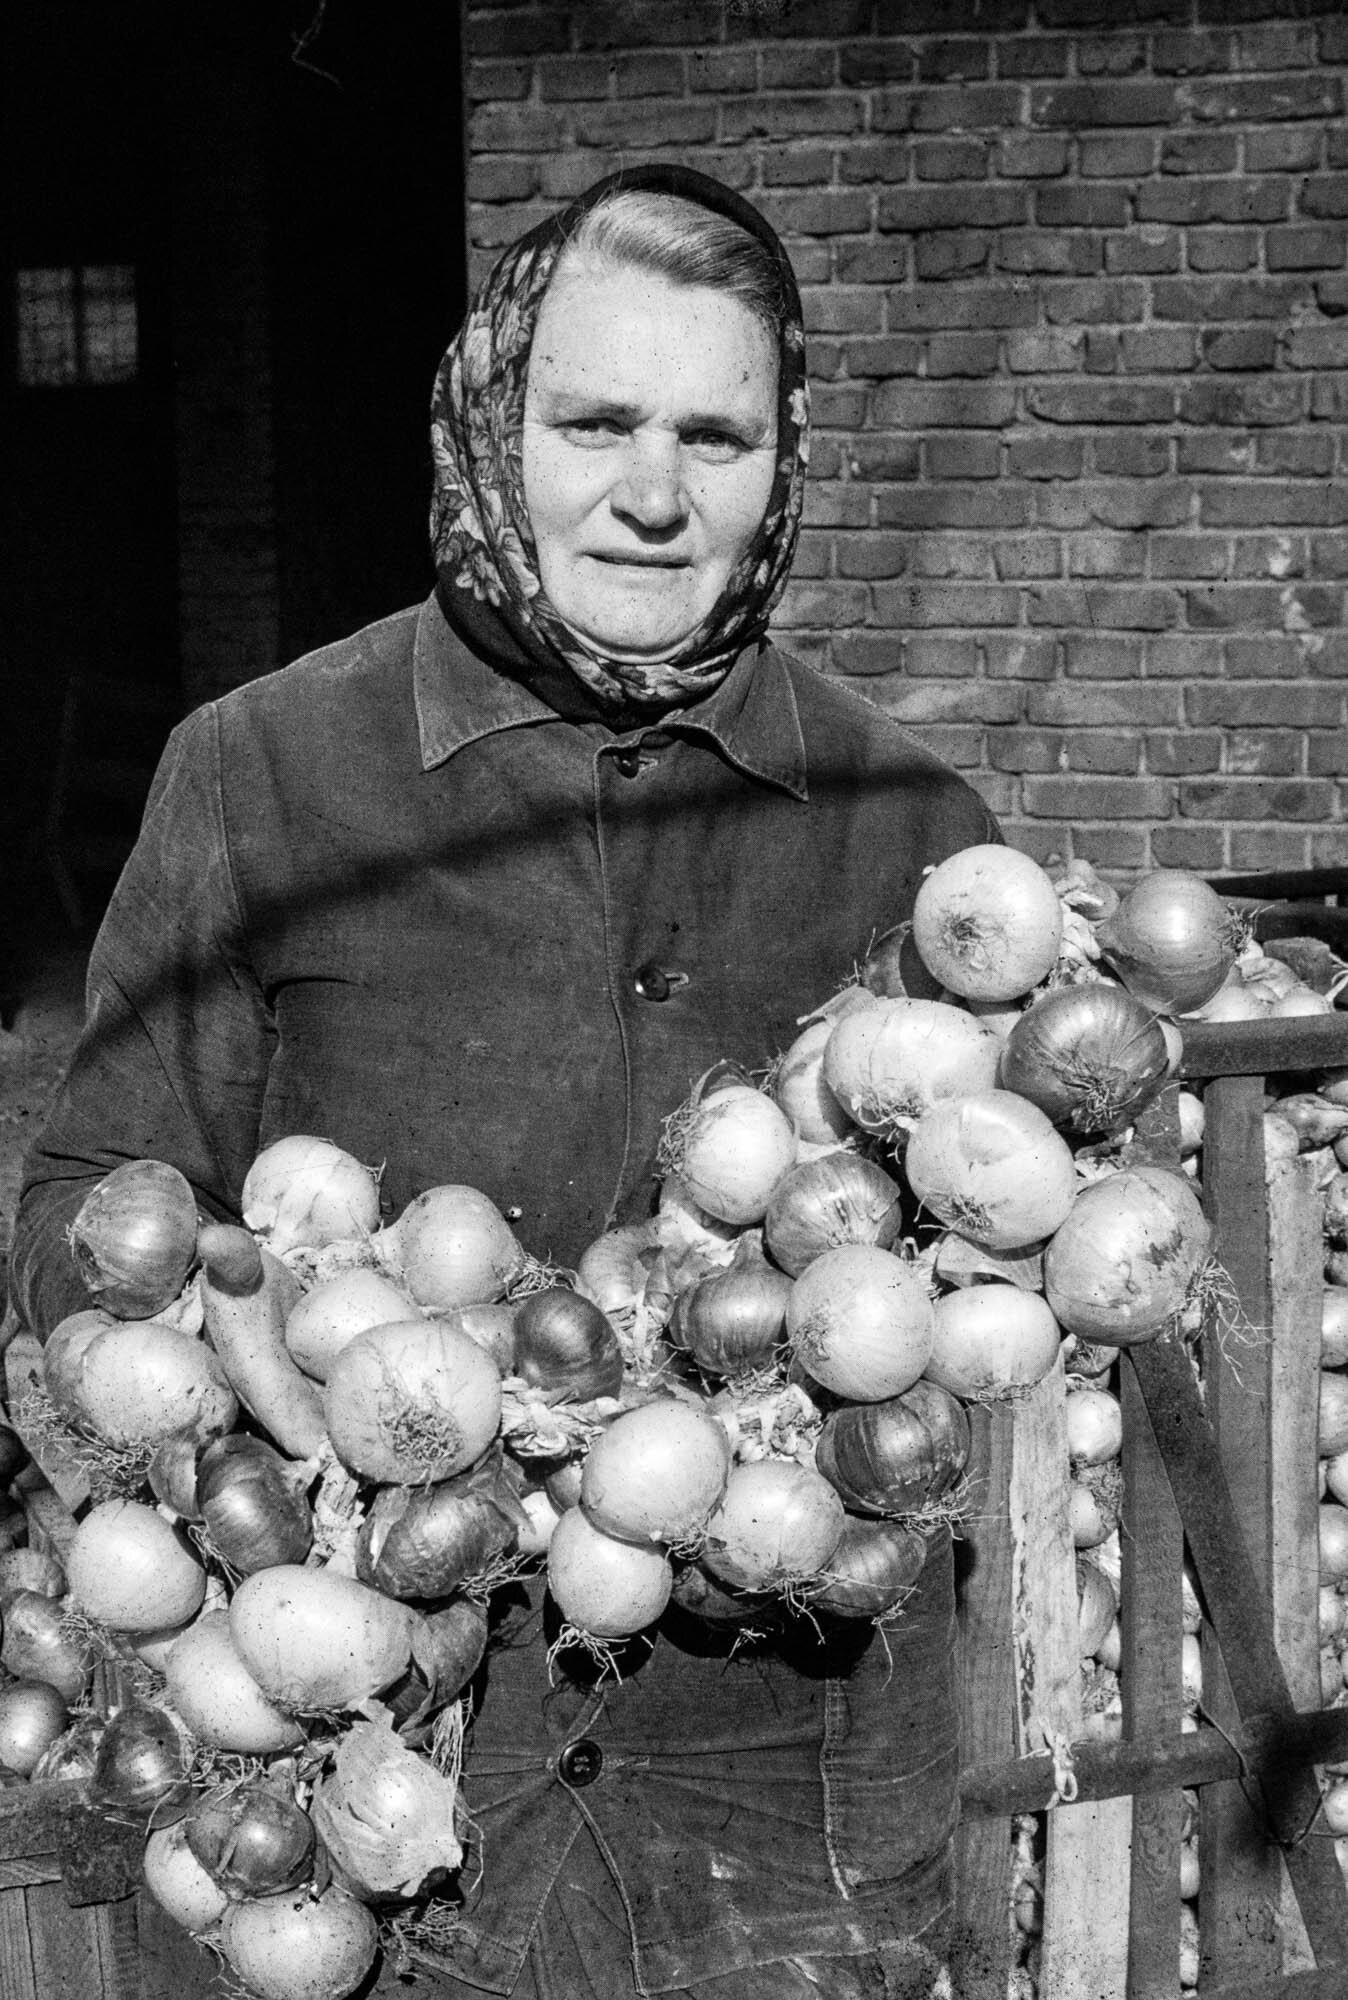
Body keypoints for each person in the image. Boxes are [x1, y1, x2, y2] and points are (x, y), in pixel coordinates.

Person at [11, 166, 1000, 1998]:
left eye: (718, 434)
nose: (652, 492)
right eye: (595, 421)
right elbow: (87, 1196)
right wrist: (252, 1361)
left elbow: (960, 1279)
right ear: (489, 419)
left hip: (783, 1792)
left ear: (786, 465)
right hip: (350, 1765)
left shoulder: (909, 833)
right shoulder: (269, 777)